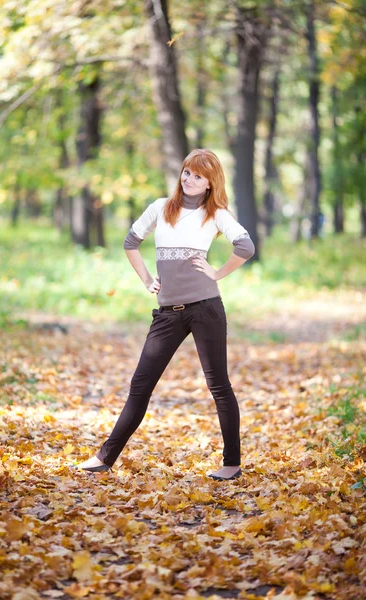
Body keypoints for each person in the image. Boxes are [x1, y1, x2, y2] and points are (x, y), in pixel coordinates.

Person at [71, 149, 255, 480]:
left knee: (219, 386)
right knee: (140, 385)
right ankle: (104, 458)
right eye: (187, 172)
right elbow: (131, 242)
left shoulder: (216, 214)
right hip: (167, 313)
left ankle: (232, 463)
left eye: (198, 175)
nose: (190, 179)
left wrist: (217, 273)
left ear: (210, 182)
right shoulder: (160, 208)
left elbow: (246, 247)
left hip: (206, 309)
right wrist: (146, 279)